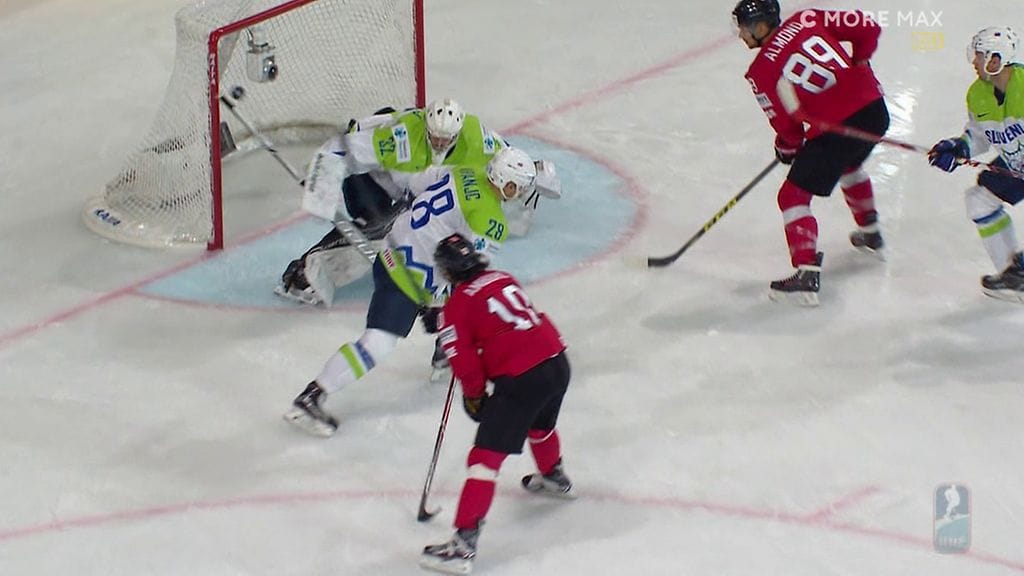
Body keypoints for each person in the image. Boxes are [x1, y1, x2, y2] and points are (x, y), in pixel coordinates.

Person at [283, 146, 540, 438]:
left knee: (444, 301)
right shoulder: (491, 220)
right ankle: (312, 396)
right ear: (506, 182)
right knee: (378, 344)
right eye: (517, 187)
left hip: (390, 250)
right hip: (409, 278)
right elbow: (469, 276)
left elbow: (416, 183)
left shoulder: (463, 171)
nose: (518, 193)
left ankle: (444, 348)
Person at [418, 233, 575, 576]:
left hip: (522, 378)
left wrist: (474, 395)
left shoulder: (456, 307)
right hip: (556, 361)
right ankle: (553, 475)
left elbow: (465, 363)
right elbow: (490, 311)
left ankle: (462, 546)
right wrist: (444, 317)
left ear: (447, 271)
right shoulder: (502, 277)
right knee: (540, 424)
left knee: (483, 460)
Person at [733, 0, 890, 306]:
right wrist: (860, 64)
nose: (741, 35)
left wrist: (786, 149)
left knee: (792, 197)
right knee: (849, 164)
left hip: (837, 127)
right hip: (875, 110)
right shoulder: (807, 18)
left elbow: (787, 128)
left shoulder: (760, 71)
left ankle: (806, 273)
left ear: (761, 26)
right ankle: (870, 232)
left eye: (744, 28)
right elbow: (868, 27)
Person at [927, 27, 1024, 303]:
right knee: (979, 201)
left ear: (996, 59)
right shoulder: (977, 94)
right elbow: (980, 134)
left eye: (979, 55)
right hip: (1016, 163)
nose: (974, 61)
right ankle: (1015, 278)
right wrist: (960, 147)